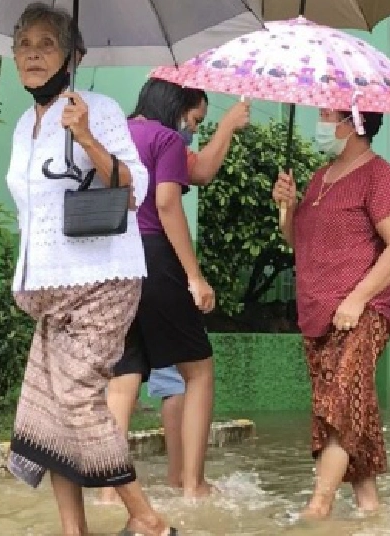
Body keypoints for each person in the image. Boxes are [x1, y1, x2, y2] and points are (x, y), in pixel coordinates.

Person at [3, 3, 176, 536]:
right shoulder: (23, 125)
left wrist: (86, 138)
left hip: (103, 280)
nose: (33, 54)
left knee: (77, 398)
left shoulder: (94, 109)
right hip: (48, 288)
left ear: (73, 57)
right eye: (24, 43)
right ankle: (72, 531)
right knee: (50, 411)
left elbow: (134, 190)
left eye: (47, 44)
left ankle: (147, 521)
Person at [99, 83, 251, 504]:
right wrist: (195, 276)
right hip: (153, 256)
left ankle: (112, 492)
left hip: (110, 260)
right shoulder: (165, 139)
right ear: (178, 108)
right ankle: (193, 485)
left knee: (123, 375)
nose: (191, 129)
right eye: (194, 120)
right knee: (198, 371)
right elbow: (167, 203)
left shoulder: (111, 133)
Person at [272, 108, 390, 520]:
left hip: (362, 312)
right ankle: (371, 513)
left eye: (327, 115)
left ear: (353, 123)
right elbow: (298, 243)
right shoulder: (321, 177)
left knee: (337, 404)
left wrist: (357, 298)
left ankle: (318, 507)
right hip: (316, 312)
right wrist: (289, 206)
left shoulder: (380, 178)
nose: (319, 122)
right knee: (351, 407)